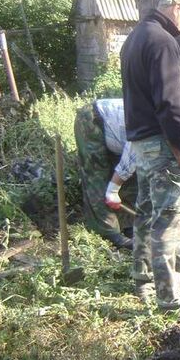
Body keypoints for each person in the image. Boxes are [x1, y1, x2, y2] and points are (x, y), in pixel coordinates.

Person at [121, 0, 180, 315]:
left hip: (143, 144)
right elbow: (170, 102)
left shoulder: (136, 38)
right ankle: (173, 302)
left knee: (148, 213)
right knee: (175, 220)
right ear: (177, 6)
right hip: (164, 145)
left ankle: (144, 281)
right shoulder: (162, 41)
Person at [74, 99, 136, 250]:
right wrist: (112, 190)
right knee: (98, 178)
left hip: (117, 135)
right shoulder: (149, 130)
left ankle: (129, 226)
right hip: (93, 121)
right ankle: (108, 233)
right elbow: (130, 158)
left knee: (131, 181)